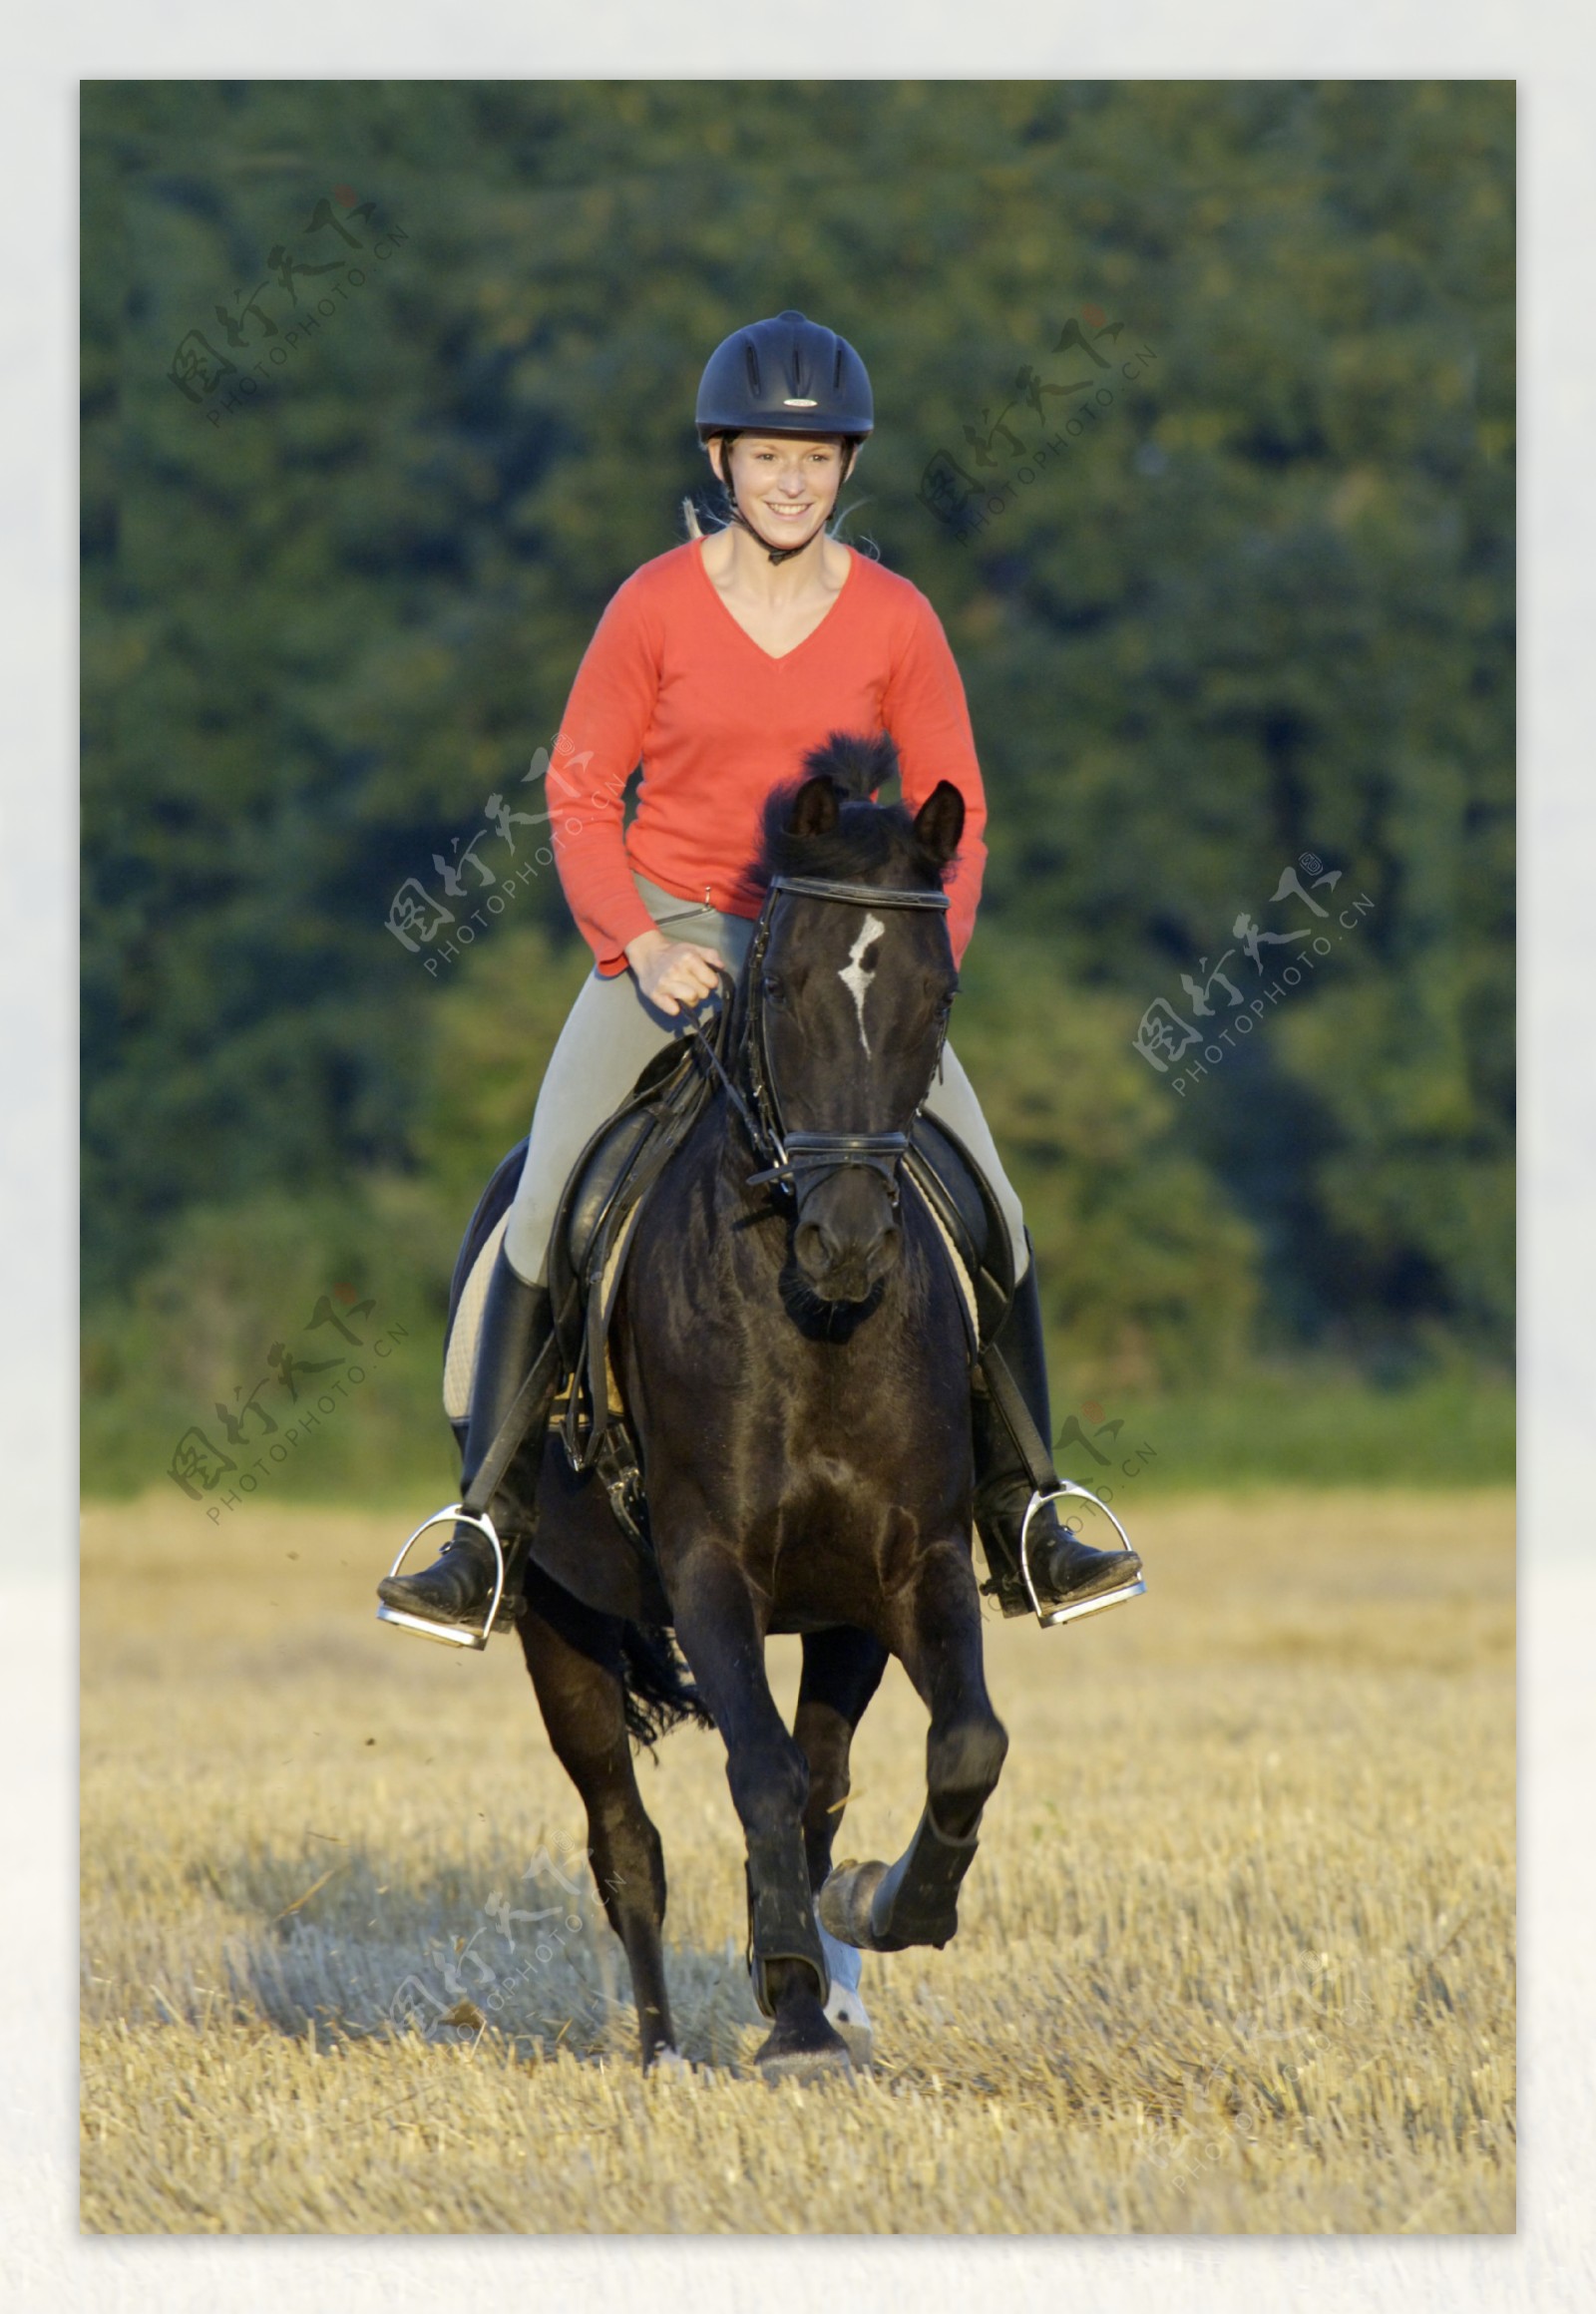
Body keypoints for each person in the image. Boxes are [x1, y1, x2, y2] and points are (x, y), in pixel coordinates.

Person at [378, 309, 1142, 1632]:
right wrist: (638, 943)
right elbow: (575, 795)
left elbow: (961, 808)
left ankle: (1026, 1511)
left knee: (999, 1218)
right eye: (766, 455)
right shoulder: (653, 606)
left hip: (845, 956)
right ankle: (484, 1527)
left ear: (848, 466)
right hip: (675, 925)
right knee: (549, 1194)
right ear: (720, 458)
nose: (792, 479)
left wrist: (920, 977)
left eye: (818, 456)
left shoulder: (899, 621)